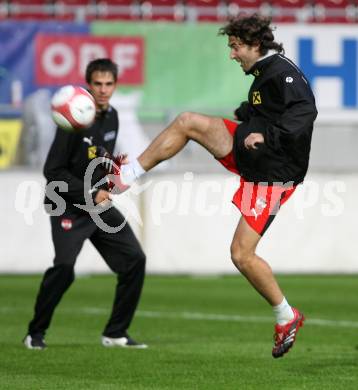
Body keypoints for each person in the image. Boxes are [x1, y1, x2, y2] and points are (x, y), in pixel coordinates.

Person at [113, 14, 317, 358]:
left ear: (255, 44)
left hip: (273, 173)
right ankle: (129, 174)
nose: (232, 54)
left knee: (241, 254)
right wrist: (250, 119)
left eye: (236, 46)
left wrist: (265, 134)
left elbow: (304, 112)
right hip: (257, 156)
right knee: (187, 122)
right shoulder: (266, 71)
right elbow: (271, 110)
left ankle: (287, 316)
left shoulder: (282, 74)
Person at [24, 58, 147, 350]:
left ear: (115, 85)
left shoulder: (113, 116)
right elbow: (52, 172)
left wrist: (112, 169)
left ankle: (116, 332)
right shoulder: (74, 118)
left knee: (134, 260)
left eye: (108, 84)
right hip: (66, 204)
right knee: (65, 268)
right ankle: (35, 333)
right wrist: (92, 193)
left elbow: (97, 158)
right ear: (88, 85)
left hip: (97, 206)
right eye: (97, 84)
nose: (103, 90)